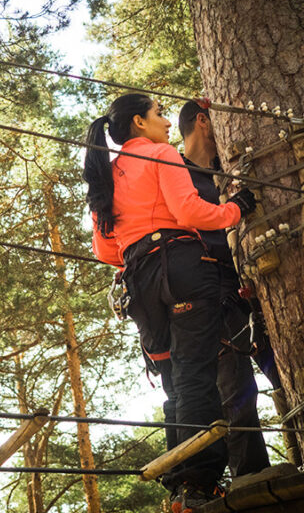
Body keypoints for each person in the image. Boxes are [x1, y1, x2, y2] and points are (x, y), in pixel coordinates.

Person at [83, 93, 257, 513]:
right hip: (182, 270)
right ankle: (201, 483)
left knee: (174, 382)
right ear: (139, 123)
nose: (164, 122)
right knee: (196, 373)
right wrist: (235, 209)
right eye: (159, 113)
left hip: (138, 284)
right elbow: (190, 210)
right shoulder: (160, 154)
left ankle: (183, 483)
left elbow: (105, 250)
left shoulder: (107, 174)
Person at [179, 100, 282, 477]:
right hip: (215, 294)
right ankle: (252, 482)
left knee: (284, 369)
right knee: (237, 393)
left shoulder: (230, 169)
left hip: (258, 285)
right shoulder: (177, 175)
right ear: (203, 121)